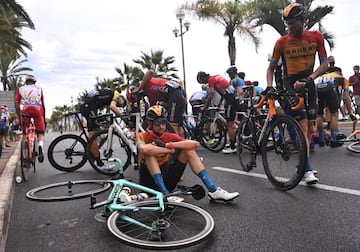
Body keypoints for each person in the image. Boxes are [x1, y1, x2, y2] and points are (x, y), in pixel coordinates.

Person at [266, 3, 329, 184]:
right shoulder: (282, 42)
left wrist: (310, 79)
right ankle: (306, 169)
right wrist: (270, 86)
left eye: (292, 23)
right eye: (287, 24)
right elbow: (270, 69)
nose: (289, 27)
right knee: (301, 125)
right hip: (290, 84)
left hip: (308, 82)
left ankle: (302, 163)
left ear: (303, 19)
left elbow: (324, 64)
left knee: (310, 127)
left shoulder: (316, 37)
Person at [136, 105, 239, 201]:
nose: (162, 126)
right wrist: (168, 150)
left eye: (163, 122)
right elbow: (144, 149)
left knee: (188, 150)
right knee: (149, 154)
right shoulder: (142, 135)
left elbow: (195, 144)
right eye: (158, 123)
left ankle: (213, 190)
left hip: (167, 179)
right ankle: (164, 194)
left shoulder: (168, 137)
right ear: (150, 124)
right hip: (148, 183)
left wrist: (169, 145)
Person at [196, 70, 242, 154]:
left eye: (202, 81)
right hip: (232, 98)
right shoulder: (216, 76)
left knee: (230, 124)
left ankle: (233, 147)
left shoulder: (211, 81)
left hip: (230, 100)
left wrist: (204, 108)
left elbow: (210, 97)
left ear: (203, 78)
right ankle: (234, 141)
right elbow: (222, 93)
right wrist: (219, 104)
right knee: (231, 121)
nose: (204, 83)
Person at [80, 88, 126, 167]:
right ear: (121, 97)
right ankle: (99, 162)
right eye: (122, 103)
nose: (119, 105)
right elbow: (112, 107)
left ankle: (92, 151)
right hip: (88, 107)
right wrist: (124, 119)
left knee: (102, 133)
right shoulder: (116, 94)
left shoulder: (107, 96)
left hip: (88, 106)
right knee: (93, 136)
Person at [137, 69, 186, 137]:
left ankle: (176, 145)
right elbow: (153, 108)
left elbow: (151, 72)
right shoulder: (151, 93)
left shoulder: (145, 84)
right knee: (179, 125)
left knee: (172, 125)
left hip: (174, 96)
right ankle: (183, 145)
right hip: (180, 94)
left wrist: (139, 88)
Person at [15, 75, 46, 162]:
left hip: (26, 110)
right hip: (38, 110)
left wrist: (19, 117)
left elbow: (17, 105)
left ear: (26, 82)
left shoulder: (20, 89)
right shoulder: (39, 89)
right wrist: (43, 117)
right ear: (34, 82)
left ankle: (25, 154)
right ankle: (40, 146)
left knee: (25, 132)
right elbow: (43, 104)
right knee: (40, 133)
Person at [315, 71, 348, 147]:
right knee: (334, 114)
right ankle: (333, 139)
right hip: (329, 88)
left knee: (319, 115)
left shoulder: (324, 75)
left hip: (317, 87)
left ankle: (321, 139)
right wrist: (350, 113)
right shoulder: (343, 78)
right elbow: (346, 97)